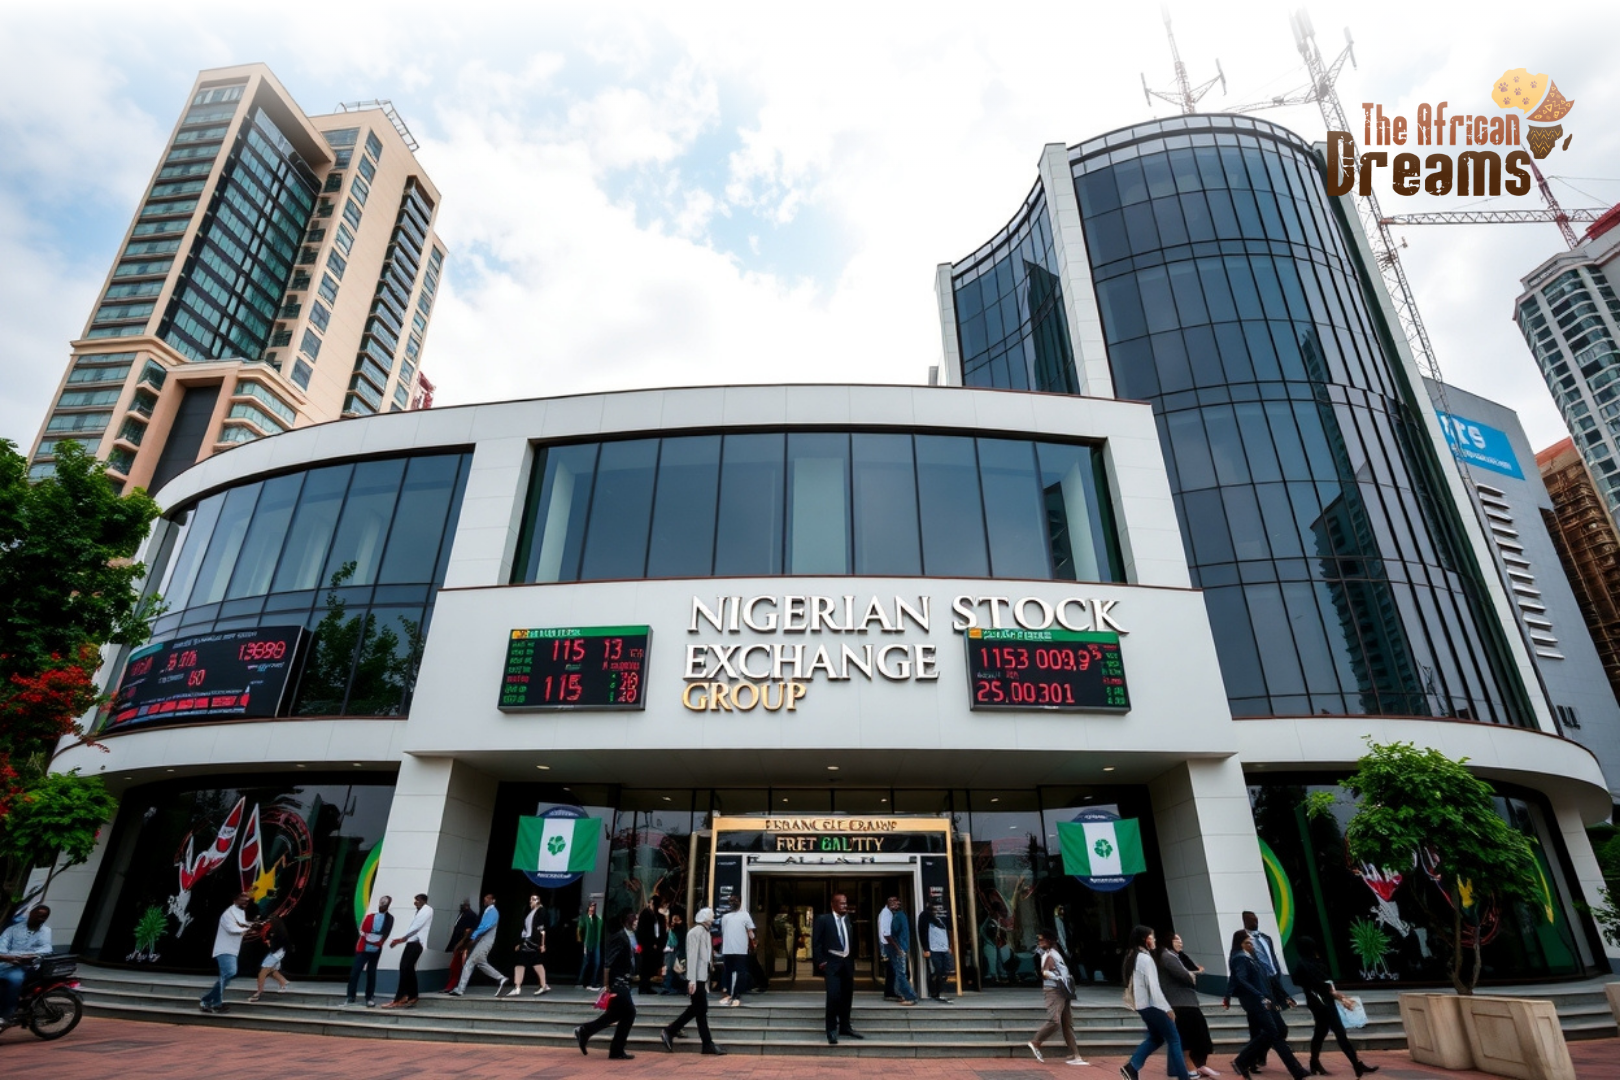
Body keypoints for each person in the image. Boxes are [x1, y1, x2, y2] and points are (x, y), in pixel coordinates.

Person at [1228, 929, 1309, 1080]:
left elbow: (1269, 979)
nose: (1251, 945)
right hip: (1256, 1002)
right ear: (1240, 944)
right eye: (1247, 943)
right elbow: (1242, 981)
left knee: (1280, 1030)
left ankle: (1243, 1060)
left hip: (1267, 999)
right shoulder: (1239, 958)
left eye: (1251, 942)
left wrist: (1284, 997)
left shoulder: (1252, 957)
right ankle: (1296, 1070)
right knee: (1275, 1034)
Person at [1293, 937, 1377, 1077]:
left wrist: (1310, 985)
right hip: (1325, 1001)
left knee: (1321, 1032)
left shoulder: (1302, 964)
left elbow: (1297, 980)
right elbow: (1325, 980)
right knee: (1339, 1033)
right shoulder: (1315, 962)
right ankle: (1356, 1065)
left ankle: (1314, 1061)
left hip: (1316, 1002)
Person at [1120, 925, 1191, 1080]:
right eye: (1152, 937)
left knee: (1157, 1037)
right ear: (1145, 939)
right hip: (1153, 1005)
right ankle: (1183, 1077)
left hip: (1143, 1005)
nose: (1154, 940)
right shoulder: (1145, 959)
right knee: (1174, 1039)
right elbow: (1154, 987)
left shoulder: (1133, 956)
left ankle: (1131, 1067)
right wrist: (1167, 1009)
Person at [1224, 912, 1293, 1070]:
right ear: (1244, 922)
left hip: (1271, 983)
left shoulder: (1265, 938)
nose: (1254, 921)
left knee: (1274, 1028)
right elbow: (1238, 976)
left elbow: (1271, 958)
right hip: (1255, 992)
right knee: (1262, 1027)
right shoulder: (1242, 945)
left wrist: (1278, 979)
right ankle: (1250, 1059)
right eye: (1251, 919)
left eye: (1256, 919)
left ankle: (1252, 1057)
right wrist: (1229, 995)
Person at [660, 906, 726, 1055]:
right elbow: (692, 956)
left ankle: (675, 1032)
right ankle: (673, 1031)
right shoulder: (695, 932)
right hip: (696, 977)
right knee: (700, 1008)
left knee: (699, 1009)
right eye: (711, 917)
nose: (713, 919)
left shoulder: (704, 932)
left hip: (701, 977)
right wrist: (692, 980)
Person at [575, 910, 639, 1059]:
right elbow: (608, 963)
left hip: (623, 981)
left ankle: (586, 1031)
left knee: (617, 1014)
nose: (636, 923)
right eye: (634, 920)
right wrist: (607, 985)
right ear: (628, 921)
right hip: (618, 983)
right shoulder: (620, 937)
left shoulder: (628, 936)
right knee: (629, 1012)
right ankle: (613, 1048)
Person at [1156, 931, 1217, 1078]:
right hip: (1181, 1004)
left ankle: (1196, 1066)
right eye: (1176, 940)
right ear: (1168, 940)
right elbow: (1184, 975)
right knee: (1189, 1039)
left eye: (1181, 940)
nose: (1180, 943)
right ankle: (1189, 1068)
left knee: (1197, 1037)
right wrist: (1195, 973)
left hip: (1187, 1003)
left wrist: (1193, 972)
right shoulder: (1168, 956)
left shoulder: (1175, 957)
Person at [1026, 928, 1088, 1065]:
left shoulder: (1053, 953)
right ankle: (1036, 1041)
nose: (1039, 942)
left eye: (1042, 939)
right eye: (1039, 940)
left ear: (1050, 940)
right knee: (1056, 1021)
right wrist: (1060, 977)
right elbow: (1045, 973)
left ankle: (1075, 1055)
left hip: (1062, 989)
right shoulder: (1049, 955)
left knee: (1067, 1023)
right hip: (1054, 990)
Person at [811, 893, 862, 1045]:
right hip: (831, 963)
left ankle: (845, 1026)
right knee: (833, 997)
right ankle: (831, 1030)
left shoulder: (848, 920)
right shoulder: (823, 920)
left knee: (847, 997)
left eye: (846, 903)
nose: (845, 906)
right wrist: (820, 961)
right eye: (841, 903)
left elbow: (852, 941)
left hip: (846, 963)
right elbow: (816, 942)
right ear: (833, 904)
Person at [200, 892, 256, 1013]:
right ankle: (212, 1002)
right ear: (235, 900)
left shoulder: (240, 912)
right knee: (230, 972)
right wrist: (248, 928)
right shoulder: (228, 913)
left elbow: (242, 924)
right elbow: (233, 928)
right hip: (224, 949)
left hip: (232, 949)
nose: (246, 901)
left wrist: (253, 925)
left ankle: (209, 1001)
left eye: (247, 899)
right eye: (243, 899)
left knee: (227, 976)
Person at [0, 904, 53, 1027]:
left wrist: (27, 957)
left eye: (44, 917)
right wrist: (10, 957)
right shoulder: (13, 929)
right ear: (31, 914)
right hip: (7, 963)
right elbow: (2, 946)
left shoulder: (46, 931)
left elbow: (46, 949)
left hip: (28, 967)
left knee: (13, 980)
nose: (41, 918)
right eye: (38, 915)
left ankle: (6, 1015)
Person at [451, 892, 508, 996]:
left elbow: (485, 926)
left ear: (493, 900)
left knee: (470, 963)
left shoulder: (492, 912)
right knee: (480, 963)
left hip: (485, 941)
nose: (485, 899)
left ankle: (460, 989)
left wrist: (473, 936)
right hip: (484, 941)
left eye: (488, 898)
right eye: (485, 898)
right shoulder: (489, 911)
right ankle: (501, 978)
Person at [384, 893, 433, 1008]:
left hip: (416, 944)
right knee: (408, 968)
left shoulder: (427, 910)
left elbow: (417, 926)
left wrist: (401, 939)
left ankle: (401, 997)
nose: (415, 902)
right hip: (412, 943)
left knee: (405, 967)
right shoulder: (421, 911)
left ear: (423, 900)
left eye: (417, 900)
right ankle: (412, 995)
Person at [346, 895, 394, 1006]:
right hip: (364, 947)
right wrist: (371, 941)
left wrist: (380, 942)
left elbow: (386, 932)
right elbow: (363, 930)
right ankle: (351, 995)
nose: (382, 906)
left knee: (371, 972)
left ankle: (369, 996)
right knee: (356, 971)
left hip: (376, 948)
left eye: (385, 904)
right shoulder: (370, 917)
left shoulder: (389, 918)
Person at [510, 893, 551, 996]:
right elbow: (526, 929)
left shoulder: (540, 911)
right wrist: (521, 942)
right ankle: (540, 985)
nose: (530, 903)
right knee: (531, 962)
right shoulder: (531, 913)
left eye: (532, 901)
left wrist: (542, 944)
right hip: (528, 941)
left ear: (537, 901)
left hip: (533, 942)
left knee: (526, 962)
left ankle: (540, 985)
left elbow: (542, 929)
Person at [882, 895, 919, 1006]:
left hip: (898, 949)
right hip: (901, 947)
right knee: (899, 973)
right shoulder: (901, 915)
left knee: (900, 974)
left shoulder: (897, 917)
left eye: (895, 902)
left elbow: (891, 934)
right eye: (890, 902)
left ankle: (910, 996)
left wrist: (897, 948)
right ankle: (901, 993)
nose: (893, 904)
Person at [247, 912, 293, 1002]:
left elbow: (277, 943)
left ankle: (258, 992)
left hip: (277, 952)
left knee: (262, 972)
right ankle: (283, 982)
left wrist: (270, 943)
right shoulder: (273, 929)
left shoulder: (276, 929)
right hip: (276, 952)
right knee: (271, 970)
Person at [717, 902, 755, 1006]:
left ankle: (728, 992)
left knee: (728, 971)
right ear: (740, 906)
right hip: (740, 949)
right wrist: (753, 939)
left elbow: (723, 930)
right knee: (741, 972)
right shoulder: (745, 915)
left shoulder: (725, 917)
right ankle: (737, 993)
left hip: (727, 948)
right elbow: (750, 931)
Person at [442, 900, 479, 993]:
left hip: (463, 944)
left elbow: (468, 931)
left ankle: (453, 985)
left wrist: (461, 943)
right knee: (454, 965)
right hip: (459, 942)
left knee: (456, 966)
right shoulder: (463, 914)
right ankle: (451, 985)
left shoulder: (470, 915)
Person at [920, 904, 954, 1003]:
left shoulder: (942, 920)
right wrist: (926, 949)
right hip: (934, 949)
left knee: (946, 970)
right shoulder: (925, 917)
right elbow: (922, 932)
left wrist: (949, 946)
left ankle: (939, 990)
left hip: (943, 948)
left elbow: (948, 931)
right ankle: (934, 992)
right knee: (936, 971)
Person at [635, 894, 666, 995]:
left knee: (651, 967)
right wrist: (649, 943)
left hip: (656, 946)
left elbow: (661, 931)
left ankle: (647, 986)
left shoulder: (658, 916)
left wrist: (659, 943)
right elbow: (642, 931)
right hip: (647, 946)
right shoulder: (645, 914)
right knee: (645, 967)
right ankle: (643, 987)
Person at [659, 906, 686, 994]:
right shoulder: (677, 929)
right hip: (671, 950)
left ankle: (667, 986)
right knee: (670, 969)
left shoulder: (673, 928)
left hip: (671, 949)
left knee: (671, 969)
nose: (675, 921)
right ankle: (666, 986)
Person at [578, 900, 603, 990]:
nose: (593, 908)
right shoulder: (585, 918)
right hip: (587, 942)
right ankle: (581, 981)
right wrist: (580, 940)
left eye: (594, 906)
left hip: (595, 942)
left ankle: (593, 981)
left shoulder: (597, 919)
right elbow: (580, 929)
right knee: (586, 962)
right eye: (592, 906)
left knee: (596, 962)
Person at [878, 894, 897, 999]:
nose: (895, 903)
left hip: (886, 945)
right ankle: (890, 993)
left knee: (891, 970)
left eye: (896, 901)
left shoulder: (886, 913)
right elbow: (886, 933)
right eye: (892, 901)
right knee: (891, 970)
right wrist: (896, 947)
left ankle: (890, 992)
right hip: (887, 945)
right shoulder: (886, 913)